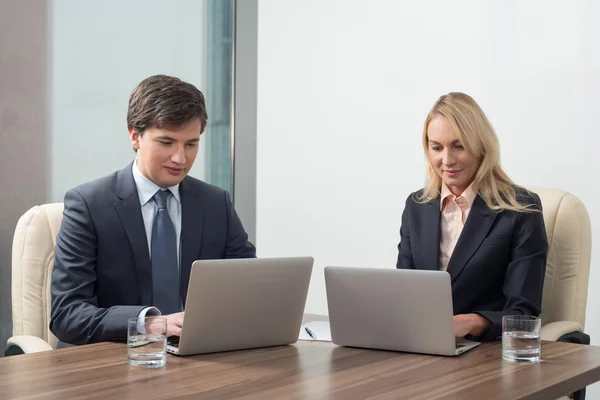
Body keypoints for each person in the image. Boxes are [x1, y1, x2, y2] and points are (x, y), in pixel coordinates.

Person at [51, 75, 256, 346]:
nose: (180, 158)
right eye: (166, 142)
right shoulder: (88, 204)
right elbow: (67, 314)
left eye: (191, 144)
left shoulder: (215, 203)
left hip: (197, 354)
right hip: (114, 358)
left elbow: (248, 289)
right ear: (135, 136)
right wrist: (149, 323)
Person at [396, 92, 548, 341]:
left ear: (481, 146)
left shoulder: (521, 209)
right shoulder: (417, 206)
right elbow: (403, 292)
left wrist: (471, 322)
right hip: (421, 345)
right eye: (437, 148)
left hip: (485, 351)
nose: (447, 160)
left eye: (459, 146)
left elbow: (524, 312)